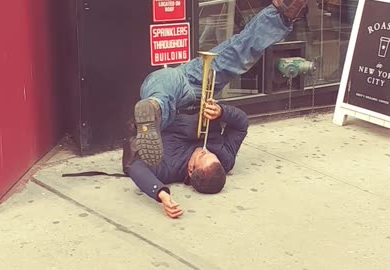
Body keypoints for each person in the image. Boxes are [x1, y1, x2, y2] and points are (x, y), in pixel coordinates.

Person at [123, 0, 308, 218]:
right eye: (212, 155)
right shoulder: (224, 158)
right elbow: (241, 125)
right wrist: (221, 112)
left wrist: (161, 193)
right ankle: (282, 16)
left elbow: (134, 167)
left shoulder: (170, 168)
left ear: (191, 172)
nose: (206, 151)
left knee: (165, 92)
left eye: (202, 157)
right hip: (199, 87)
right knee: (239, 54)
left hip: (170, 91)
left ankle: (153, 110)